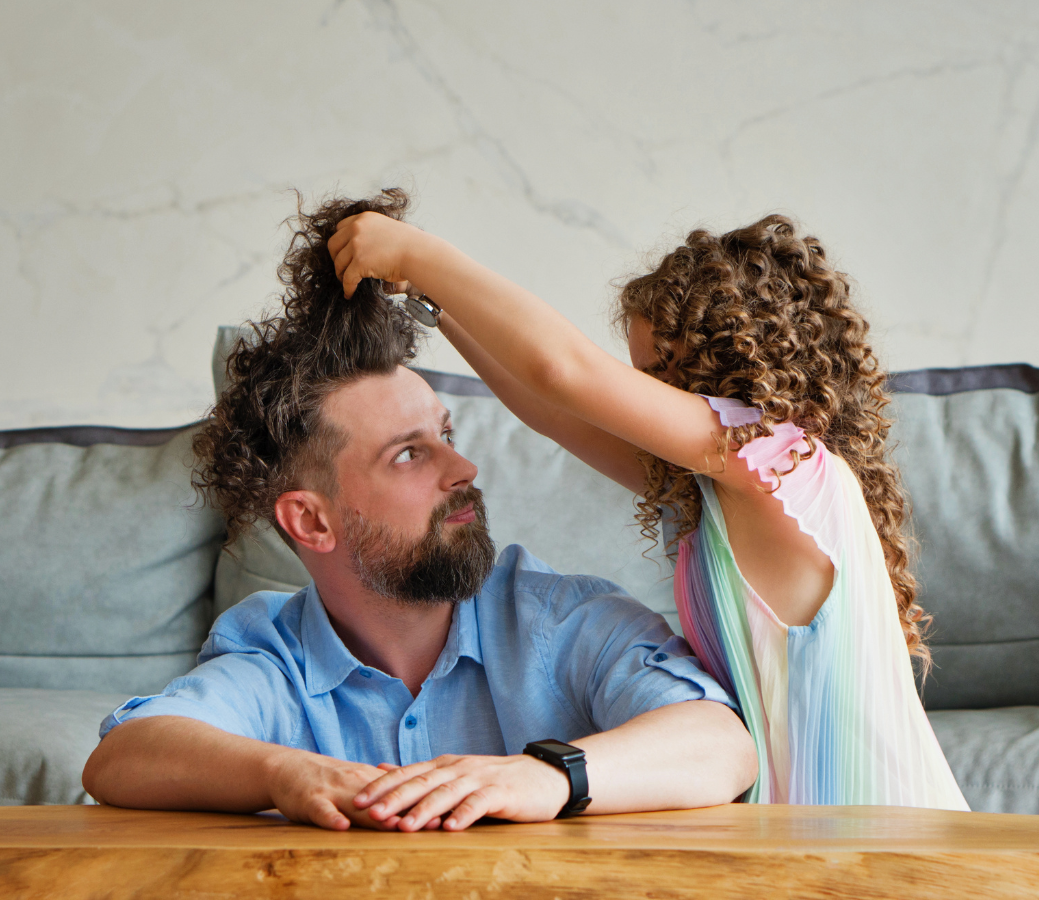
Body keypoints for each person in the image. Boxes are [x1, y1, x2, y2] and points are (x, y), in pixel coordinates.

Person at [81, 191, 758, 832]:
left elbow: (723, 746)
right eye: (409, 455)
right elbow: (122, 757)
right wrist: (284, 774)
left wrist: (546, 778)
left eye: (447, 437)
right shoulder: (273, 654)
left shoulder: (558, 621)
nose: (462, 471)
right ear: (311, 521)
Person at [327, 198, 969, 810]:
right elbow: (552, 410)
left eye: (657, 377)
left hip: (889, 833)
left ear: (733, 365)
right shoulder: (723, 490)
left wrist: (418, 253)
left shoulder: (782, 466)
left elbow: (564, 373)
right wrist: (432, 306)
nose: (635, 400)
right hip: (806, 839)